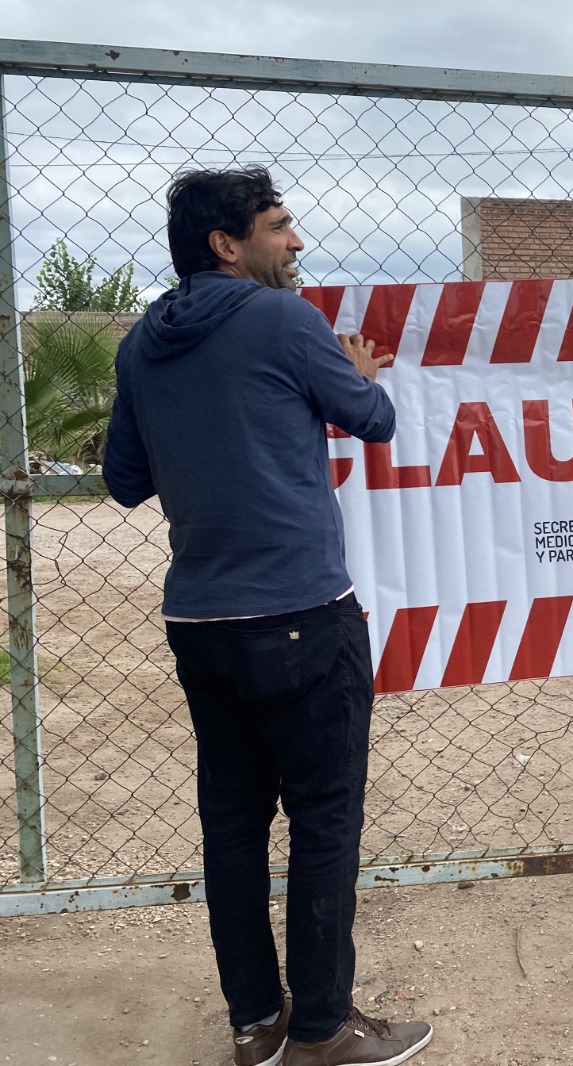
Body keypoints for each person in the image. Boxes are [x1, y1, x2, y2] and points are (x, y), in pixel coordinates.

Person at [102, 167, 433, 1066]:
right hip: (301, 612)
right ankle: (324, 1029)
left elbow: (125, 482)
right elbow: (370, 415)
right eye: (280, 226)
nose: (295, 243)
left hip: (201, 623)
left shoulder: (141, 344)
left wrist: (208, 439)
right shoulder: (285, 320)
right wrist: (357, 370)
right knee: (325, 820)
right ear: (227, 242)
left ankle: (258, 1026)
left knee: (234, 826)